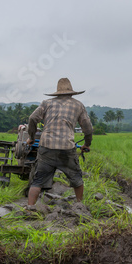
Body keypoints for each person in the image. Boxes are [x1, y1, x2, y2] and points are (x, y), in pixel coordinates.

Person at [26, 77, 93, 206]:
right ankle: (80, 206)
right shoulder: (78, 105)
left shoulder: (46, 103)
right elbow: (88, 128)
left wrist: (31, 137)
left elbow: (33, 118)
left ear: (57, 93)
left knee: (38, 180)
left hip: (47, 146)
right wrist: (87, 144)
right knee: (77, 178)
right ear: (71, 93)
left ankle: (29, 208)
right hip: (66, 148)